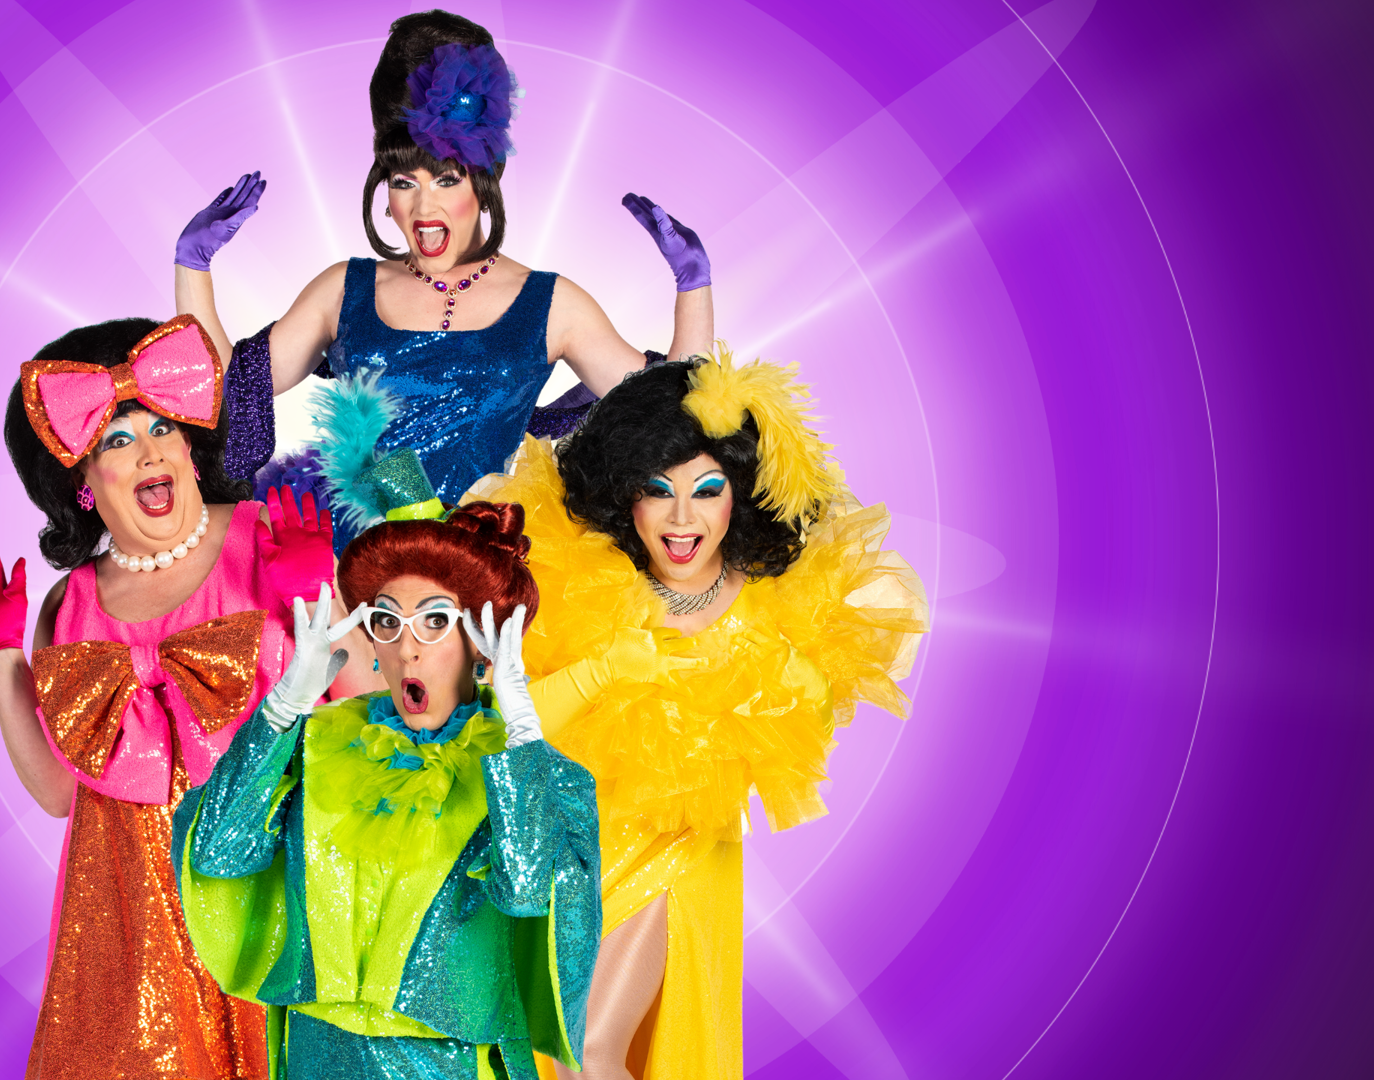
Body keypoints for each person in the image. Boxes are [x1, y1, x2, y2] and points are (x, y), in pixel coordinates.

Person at [469, 348, 930, 1080]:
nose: (682, 519)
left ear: (738, 498)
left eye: (707, 491)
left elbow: (796, 734)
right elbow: (507, 727)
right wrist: (601, 670)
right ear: (625, 495)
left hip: (677, 852)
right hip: (566, 848)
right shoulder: (577, 580)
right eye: (658, 491)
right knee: (548, 1050)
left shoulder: (780, 611)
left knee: (587, 1044)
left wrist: (788, 685)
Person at [0, 314, 373, 1079]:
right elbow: (58, 795)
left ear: (189, 446)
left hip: (272, 897)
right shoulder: (69, 605)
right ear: (80, 483)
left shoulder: (269, 538)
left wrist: (320, 600)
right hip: (129, 928)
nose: (149, 450)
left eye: (162, 427)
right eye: (117, 439)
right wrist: (2, 662)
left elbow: (369, 719)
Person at [170, 385, 602, 1079]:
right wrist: (283, 709)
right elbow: (219, 853)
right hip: (319, 1054)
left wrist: (519, 731)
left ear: (483, 639)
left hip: (448, 1063)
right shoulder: (317, 743)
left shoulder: (540, 776)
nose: (407, 648)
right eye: (386, 621)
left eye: (435, 621)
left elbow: (527, 891)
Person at [171, 9, 717, 548]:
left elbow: (673, 411)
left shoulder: (553, 303)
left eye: (447, 179)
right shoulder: (343, 290)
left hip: (485, 563)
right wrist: (193, 265)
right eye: (404, 181)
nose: (424, 206)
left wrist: (693, 284)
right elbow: (223, 389)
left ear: (484, 183)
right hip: (354, 563)